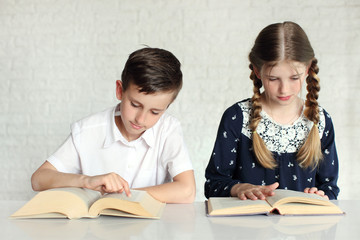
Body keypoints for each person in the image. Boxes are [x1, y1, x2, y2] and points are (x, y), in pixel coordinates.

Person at [31, 47, 196, 203]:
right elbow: (39, 179)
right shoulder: (87, 130)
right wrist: (86, 181)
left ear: (167, 107)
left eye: (155, 112)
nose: (141, 119)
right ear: (119, 90)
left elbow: (187, 191)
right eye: (135, 105)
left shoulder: (168, 129)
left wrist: (124, 197)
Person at [204, 21, 339, 200]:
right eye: (273, 78)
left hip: (303, 226)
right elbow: (213, 185)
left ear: (307, 70)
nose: (284, 89)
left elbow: (330, 188)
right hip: (247, 226)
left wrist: (320, 195)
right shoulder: (237, 118)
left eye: (294, 78)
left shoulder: (320, 120)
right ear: (257, 71)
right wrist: (239, 188)